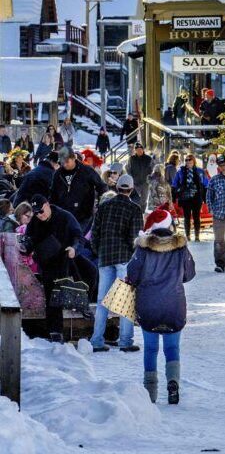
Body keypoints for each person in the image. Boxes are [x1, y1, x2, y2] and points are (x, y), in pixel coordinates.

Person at [127, 208, 196, 405]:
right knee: (172, 347)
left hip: (148, 305)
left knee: (150, 349)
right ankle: (173, 383)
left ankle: (150, 392)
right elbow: (189, 275)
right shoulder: (180, 247)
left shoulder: (143, 248)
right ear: (169, 225)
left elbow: (132, 275)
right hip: (174, 305)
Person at [89, 174, 143, 353]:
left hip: (105, 258)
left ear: (117, 188)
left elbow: (94, 233)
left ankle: (97, 340)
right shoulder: (134, 209)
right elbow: (134, 239)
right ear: (132, 189)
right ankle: (125, 341)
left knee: (102, 300)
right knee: (126, 299)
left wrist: (98, 251)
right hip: (123, 259)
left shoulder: (104, 207)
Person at [24, 195, 83, 341]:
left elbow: (78, 235)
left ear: (48, 205)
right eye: (36, 212)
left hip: (65, 258)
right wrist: (26, 245)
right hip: (47, 262)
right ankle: (55, 332)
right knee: (52, 295)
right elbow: (29, 239)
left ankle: (83, 310)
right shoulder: (35, 221)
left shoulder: (64, 216)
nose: (40, 215)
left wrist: (74, 249)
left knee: (90, 274)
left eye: (42, 211)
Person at [50, 148, 107, 232]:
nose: (64, 165)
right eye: (62, 162)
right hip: (64, 216)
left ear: (73, 158)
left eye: (67, 162)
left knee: (78, 242)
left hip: (83, 216)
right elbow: (53, 195)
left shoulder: (87, 171)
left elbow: (102, 186)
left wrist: (100, 204)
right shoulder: (58, 174)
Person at [172, 154, 207, 242]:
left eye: (189, 160)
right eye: (186, 160)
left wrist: (205, 196)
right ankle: (187, 235)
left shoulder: (200, 171)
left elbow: (206, 183)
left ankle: (197, 235)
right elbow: (174, 183)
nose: (188, 162)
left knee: (196, 216)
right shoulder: (181, 171)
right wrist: (174, 195)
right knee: (187, 217)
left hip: (196, 197)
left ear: (194, 161)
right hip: (185, 197)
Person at [127, 143, 155, 209]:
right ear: (135, 150)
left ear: (143, 150)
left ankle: (142, 212)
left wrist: (150, 177)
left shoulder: (148, 159)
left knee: (144, 200)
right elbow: (128, 169)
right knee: (135, 199)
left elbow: (153, 169)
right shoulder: (131, 159)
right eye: (137, 149)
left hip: (145, 183)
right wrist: (131, 178)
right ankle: (135, 212)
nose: (139, 151)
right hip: (135, 183)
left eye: (141, 149)